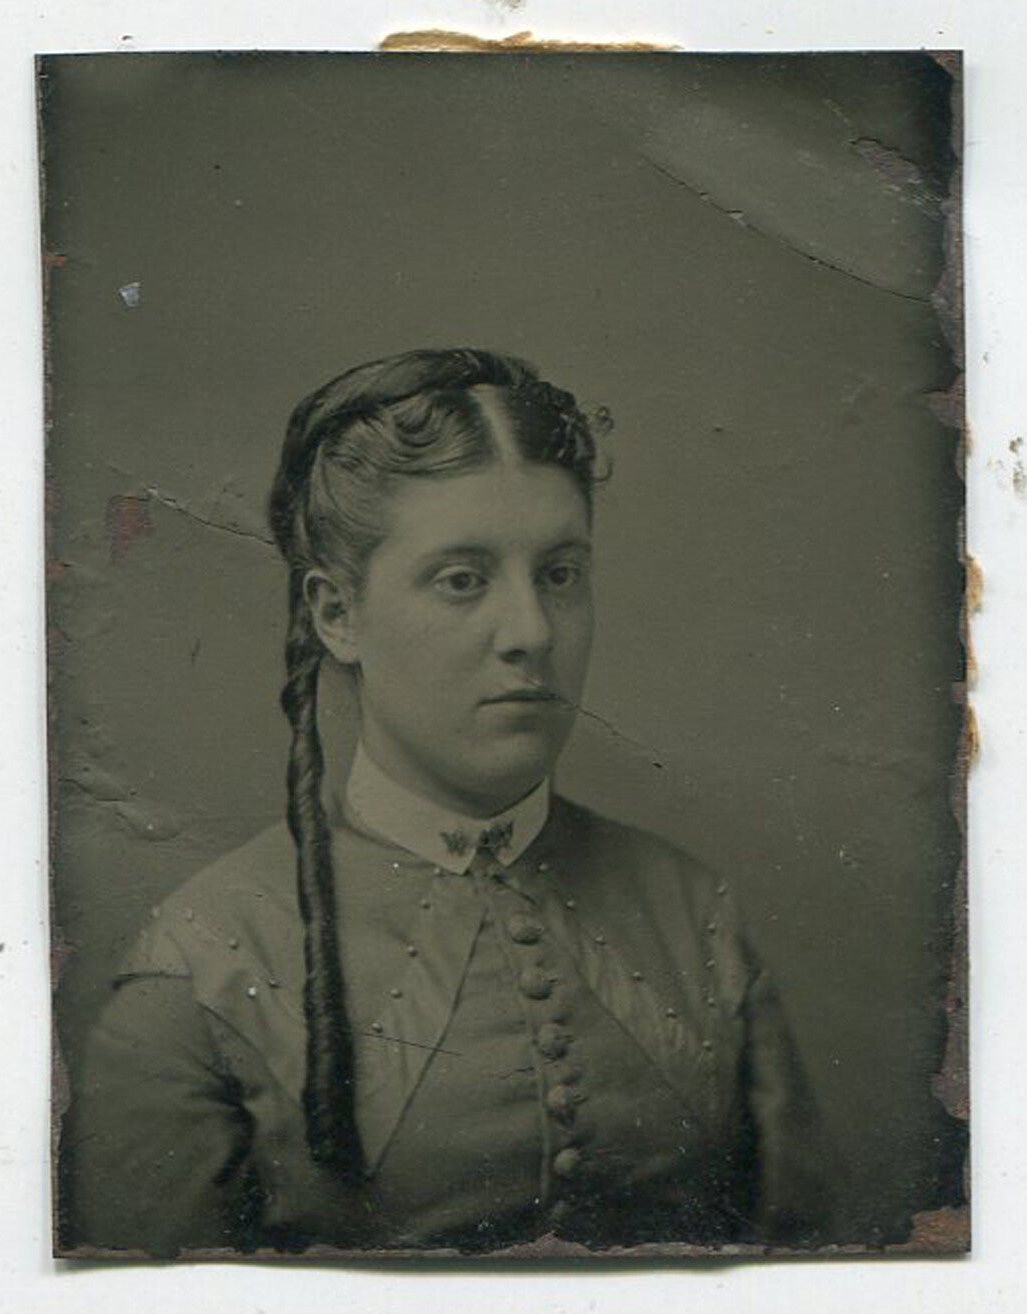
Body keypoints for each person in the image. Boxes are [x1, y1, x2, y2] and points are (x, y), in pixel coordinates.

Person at [58, 347, 831, 1256]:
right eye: (462, 580)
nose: (532, 632)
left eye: (560, 574)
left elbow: (807, 1263)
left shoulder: (691, 915)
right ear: (336, 615)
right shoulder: (202, 971)